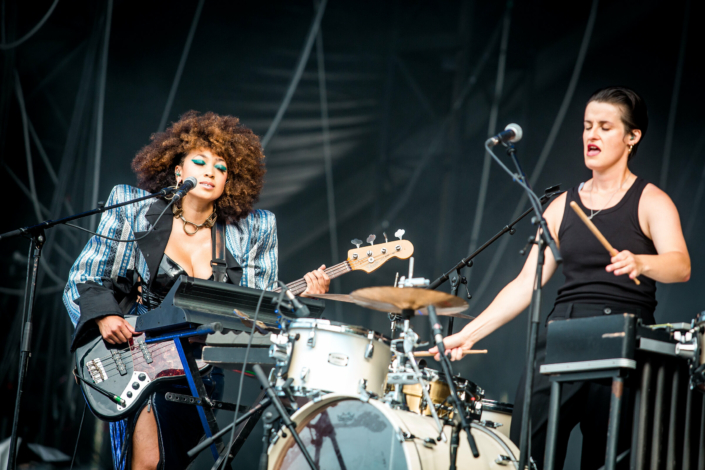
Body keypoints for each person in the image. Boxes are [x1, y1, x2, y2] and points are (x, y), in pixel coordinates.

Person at [429, 87, 691, 469]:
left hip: (621, 340)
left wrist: (642, 262)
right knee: (527, 455)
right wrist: (468, 334)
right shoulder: (559, 206)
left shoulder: (651, 200)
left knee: (606, 458)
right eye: (587, 126)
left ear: (632, 137)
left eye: (604, 127)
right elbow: (524, 284)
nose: (591, 136)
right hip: (561, 336)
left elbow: (680, 265)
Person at [63, 111, 330, 470]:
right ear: (177, 170)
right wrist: (106, 314)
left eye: (221, 168)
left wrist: (300, 300)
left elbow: (259, 310)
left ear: (230, 180)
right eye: (200, 162)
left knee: (164, 463)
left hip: (198, 369)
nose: (210, 172)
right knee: (146, 462)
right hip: (134, 356)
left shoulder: (255, 229)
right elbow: (86, 273)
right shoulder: (134, 208)